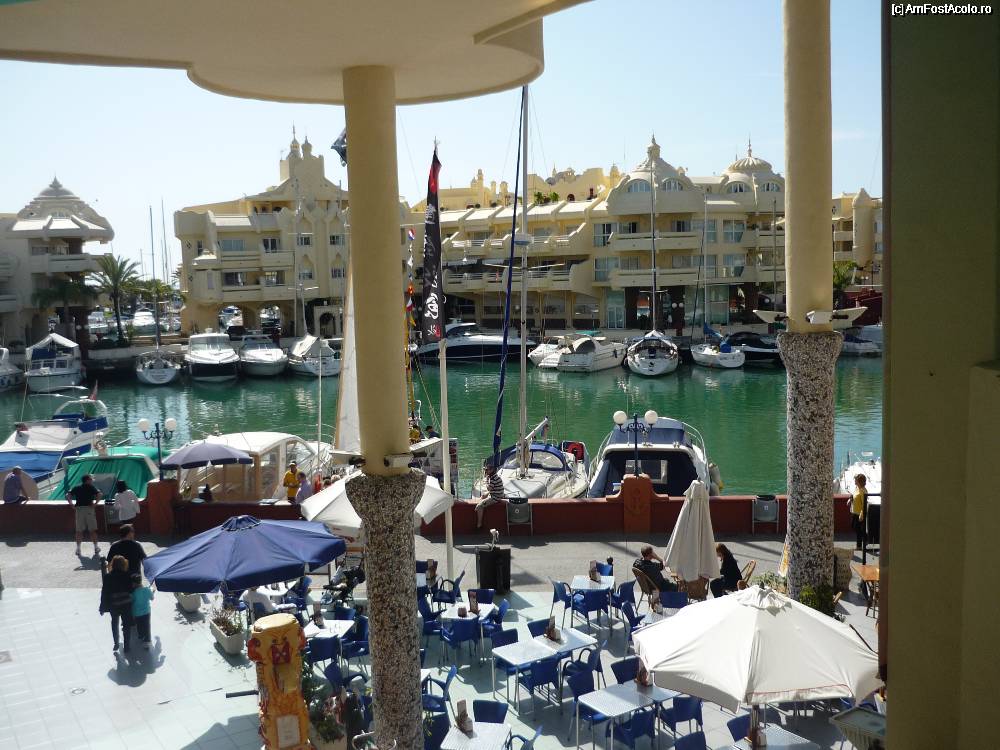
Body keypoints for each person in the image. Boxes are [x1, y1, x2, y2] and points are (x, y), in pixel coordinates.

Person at [101, 555, 134, 653]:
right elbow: (131, 590)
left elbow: (104, 592)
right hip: (126, 604)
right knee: (126, 625)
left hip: (114, 604)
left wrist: (102, 606)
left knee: (114, 622)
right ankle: (127, 646)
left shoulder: (107, 577)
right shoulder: (127, 575)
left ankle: (116, 643)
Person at [68, 474, 102, 556]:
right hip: (89, 509)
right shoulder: (91, 487)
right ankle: (96, 547)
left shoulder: (76, 487)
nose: (92, 481)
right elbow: (100, 494)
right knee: (92, 530)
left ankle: (78, 549)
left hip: (79, 510)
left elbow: (68, 495)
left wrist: (71, 504)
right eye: (91, 479)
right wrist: (95, 504)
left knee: (79, 530)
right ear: (87, 480)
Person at [475, 462, 505, 529]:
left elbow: (489, 488)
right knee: (483, 496)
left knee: (479, 506)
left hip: (495, 497)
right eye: (485, 470)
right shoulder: (493, 476)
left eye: (487, 470)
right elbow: (492, 489)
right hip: (496, 494)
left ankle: (479, 524)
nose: (485, 471)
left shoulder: (493, 478)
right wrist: (487, 494)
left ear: (491, 470)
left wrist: (486, 481)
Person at [131, 574, 154, 649]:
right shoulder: (146, 590)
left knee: (139, 625)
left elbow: (131, 601)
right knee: (147, 625)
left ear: (134, 583)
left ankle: (141, 635)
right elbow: (152, 598)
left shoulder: (134, 593)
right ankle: (147, 640)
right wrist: (151, 592)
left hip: (137, 613)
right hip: (147, 612)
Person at [850, 473, 868, 552]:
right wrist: (850, 499)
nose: (855, 481)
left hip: (859, 514)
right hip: (854, 512)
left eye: (856, 480)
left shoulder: (863, 491)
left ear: (859, 481)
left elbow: (864, 504)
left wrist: (861, 514)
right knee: (855, 527)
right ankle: (865, 540)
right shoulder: (857, 488)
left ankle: (859, 546)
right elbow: (854, 495)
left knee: (858, 530)